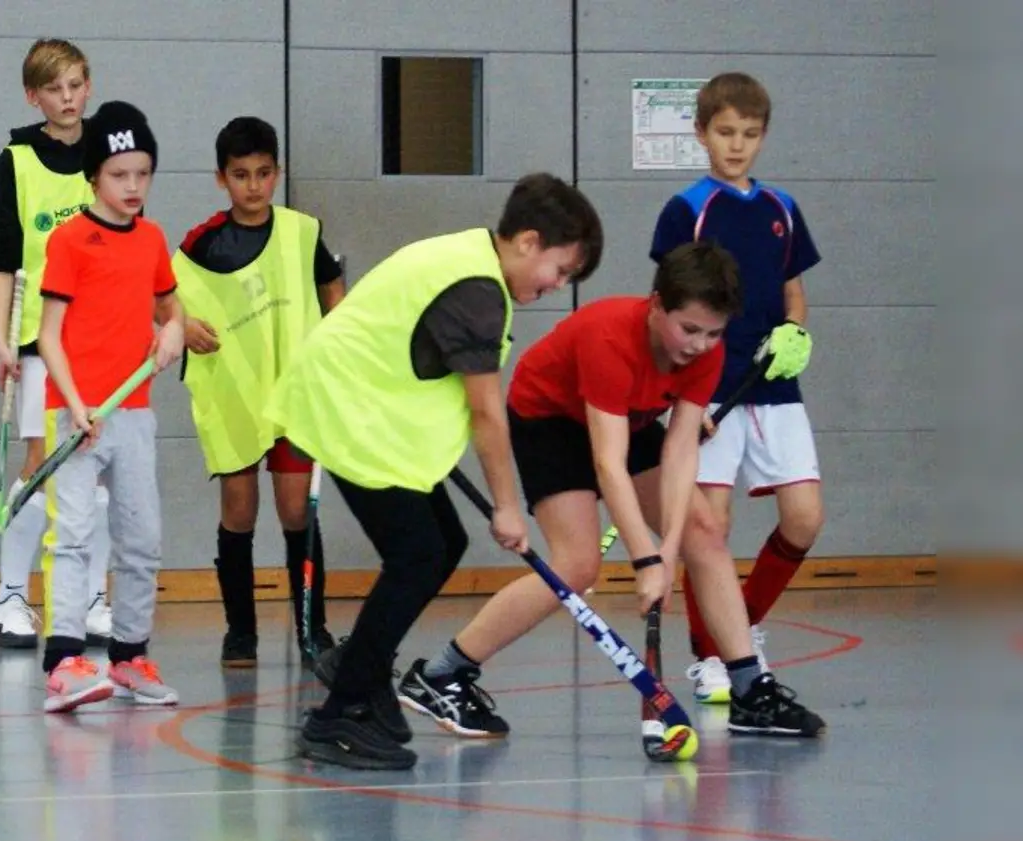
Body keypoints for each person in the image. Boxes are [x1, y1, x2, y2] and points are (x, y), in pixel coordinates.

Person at [401, 242, 826, 742]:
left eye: (713, 333)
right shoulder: (609, 338)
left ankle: (750, 690)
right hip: (552, 422)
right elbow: (608, 462)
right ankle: (441, 674)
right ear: (655, 304)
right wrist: (645, 561)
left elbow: (681, 451)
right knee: (576, 567)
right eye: (688, 329)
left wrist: (667, 552)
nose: (698, 345)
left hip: (628, 417)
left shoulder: (706, 352)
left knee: (703, 530)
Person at [264, 172, 604, 770]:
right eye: (560, 270)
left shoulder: (469, 256)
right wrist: (507, 505)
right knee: (418, 554)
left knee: (443, 541)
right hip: (347, 411)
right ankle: (337, 715)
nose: (559, 286)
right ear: (528, 241)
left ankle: (359, 666)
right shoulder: (477, 291)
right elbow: (485, 414)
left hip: (366, 411)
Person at [650, 72, 825, 702]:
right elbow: (664, 303)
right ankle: (713, 655)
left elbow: (793, 291)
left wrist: (795, 333)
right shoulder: (687, 210)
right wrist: (674, 393)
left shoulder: (781, 208)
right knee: (709, 528)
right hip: (706, 389)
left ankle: (741, 629)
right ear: (701, 134)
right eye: (725, 132)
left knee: (804, 519)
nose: (737, 145)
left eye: (750, 134)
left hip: (774, 387)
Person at [173, 116, 346, 668]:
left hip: (295, 393)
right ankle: (240, 631)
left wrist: (337, 342)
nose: (254, 185)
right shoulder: (201, 243)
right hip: (236, 396)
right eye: (241, 175)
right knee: (239, 510)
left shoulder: (304, 230)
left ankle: (311, 627)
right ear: (222, 178)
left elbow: (332, 288)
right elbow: (163, 297)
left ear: (279, 172)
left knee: (297, 511)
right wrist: (181, 324)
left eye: (264, 173)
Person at [34, 100, 187, 712]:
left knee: (141, 537)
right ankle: (64, 661)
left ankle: (129, 657)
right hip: (77, 413)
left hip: (135, 411)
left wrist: (174, 328)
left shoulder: (151, 239)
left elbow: (169, 308)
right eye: (120, 174)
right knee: (71, 535)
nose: (132, 186)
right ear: (94, 175)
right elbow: (48, 335)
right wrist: (75, 405)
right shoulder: (70, 239)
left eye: (143, 174)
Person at [0, 38, 114, 650]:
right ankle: (11, 595)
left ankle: (90, 598)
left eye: (76, 85)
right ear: (33, 96)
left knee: (99, 469)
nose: (67, 99)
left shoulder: (108, 154)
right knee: (43, 464)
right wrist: (0, 338)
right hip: (41, 337)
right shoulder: (14, 162)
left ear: (88, 86)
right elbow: (4, 258)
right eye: (54, 89)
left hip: (103, 338)